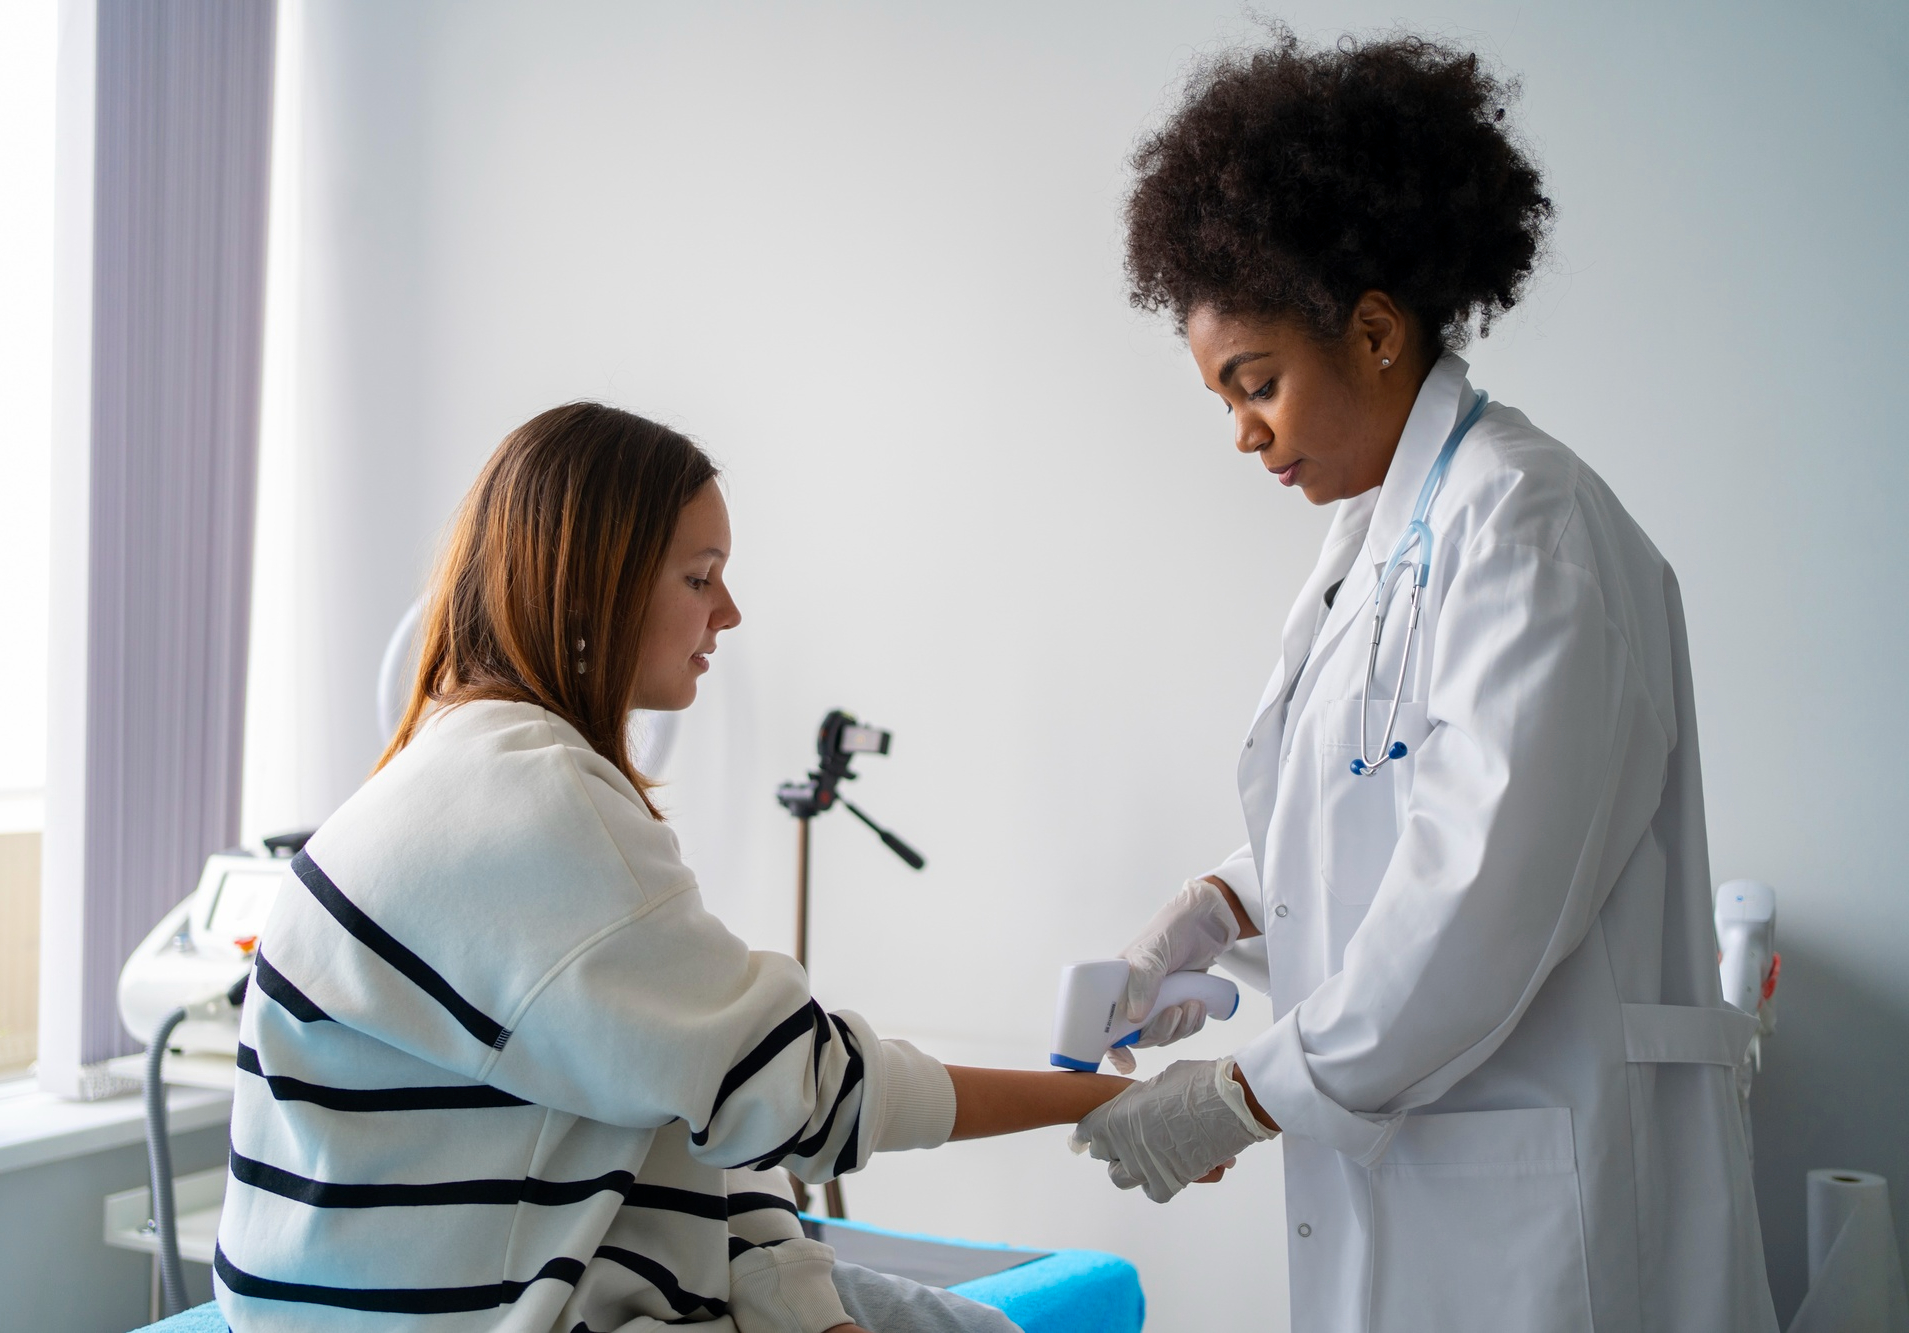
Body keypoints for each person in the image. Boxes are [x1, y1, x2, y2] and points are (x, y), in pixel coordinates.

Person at [1068, 31, 1780, 1333]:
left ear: (1379, 331)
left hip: (1534, 1203)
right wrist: (1220, 905)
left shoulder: (1526, 520)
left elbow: (1481, 887)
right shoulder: (1381, 539)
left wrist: (1249, 1091)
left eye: (1258, 383)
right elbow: (1380, 806)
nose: (1241, 432)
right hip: (1424, 1182)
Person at [214, 403, 1131, 1333]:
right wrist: (1105, 1100)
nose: (728, 613)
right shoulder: (527, 805)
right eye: (700, 579)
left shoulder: (477, 771)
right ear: (590, 590)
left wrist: (808, 1305)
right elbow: (808, 1094)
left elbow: (705, 1100)